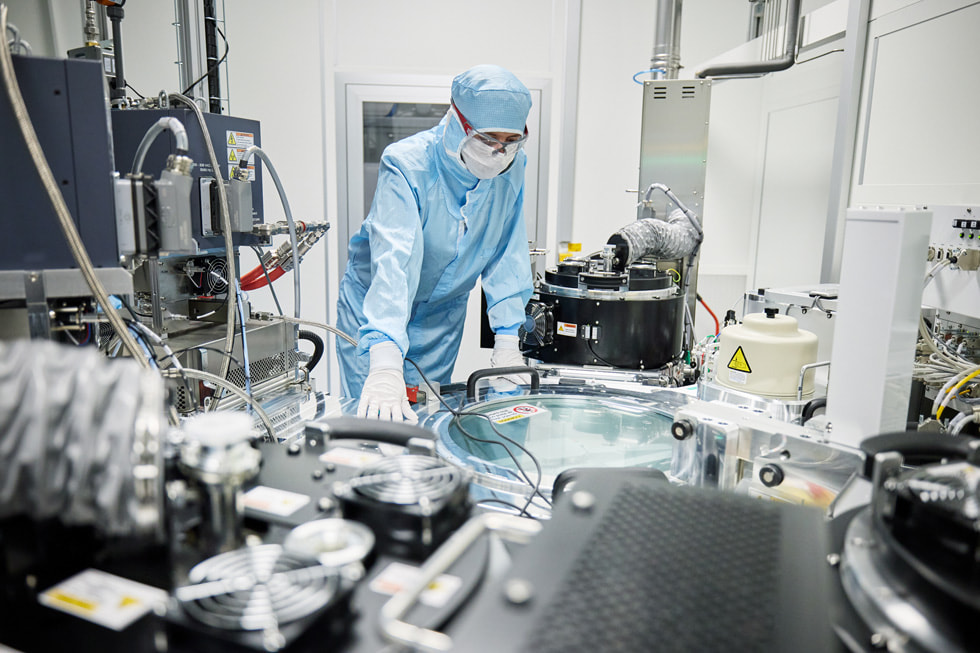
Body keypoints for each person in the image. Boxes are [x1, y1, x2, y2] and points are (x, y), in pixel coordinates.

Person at [336, 64, 534, 423]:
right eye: (488, 139)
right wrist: (384, 362)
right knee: (375, 420)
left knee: (427, 416)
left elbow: (508, 250)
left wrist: (507, 341)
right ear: (458, 122)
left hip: (442, 316)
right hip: (378, 310)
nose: (498, 152)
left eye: (511, 141)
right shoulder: (407, 165)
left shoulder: (512, 167)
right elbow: (395, 260)